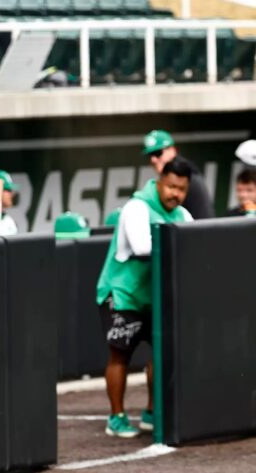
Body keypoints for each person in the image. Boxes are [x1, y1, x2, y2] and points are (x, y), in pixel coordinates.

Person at [95, 159, 193, 438]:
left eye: (182, 189)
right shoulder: (137, 207)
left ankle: (152, 411)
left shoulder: (183, 215)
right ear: (160, 182)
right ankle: (116, 417)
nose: (176, 194)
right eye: (171, 187)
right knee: (120, 356)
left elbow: (194, 246)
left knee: (161, 354)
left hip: (155, 297)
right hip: (122, 294)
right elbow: (142, 247)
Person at [142, 130, 214, 219]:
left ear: (172, 150)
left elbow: (204, 220)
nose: (153, 160)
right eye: (150, 156)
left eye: (157, 153)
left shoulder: (188, 177)